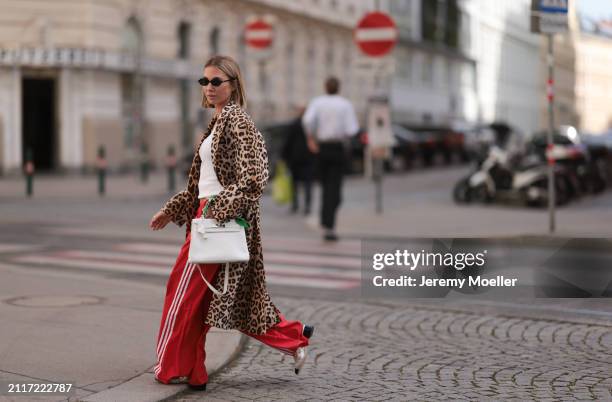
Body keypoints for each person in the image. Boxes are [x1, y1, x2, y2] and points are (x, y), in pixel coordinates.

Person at [149, 55, 314, 391]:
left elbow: (255, 177)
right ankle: (291, 339)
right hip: (207, 216)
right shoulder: (218, 120)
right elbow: (203, 181)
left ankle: (175, 365)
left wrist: (215, 209)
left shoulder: (238, 120)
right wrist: (174, 209)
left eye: (216, 82)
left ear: (233, 84)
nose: (209, 88)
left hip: (217, 220)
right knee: (209, 300)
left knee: (183, 295)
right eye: (204, 81)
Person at [302, 76, 359, 241]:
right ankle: (329, 225)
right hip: (338, 148)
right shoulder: (345, 104)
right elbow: (352, 129)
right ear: (338, 87)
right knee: (335, 189)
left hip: (322, 148)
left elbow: (307, 121)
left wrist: (311, 139)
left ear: (325, 87)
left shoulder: (317, 102)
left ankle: (326, 221)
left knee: (326, 187)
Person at [281, 107, 315, 215]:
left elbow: (288, 141)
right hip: (308, 157)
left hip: (295, 157)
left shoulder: (294, 124)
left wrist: (284, 156)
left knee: (294, 182)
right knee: (308, 183)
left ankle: (295, 204)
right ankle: (307, 206)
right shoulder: (311, 125)